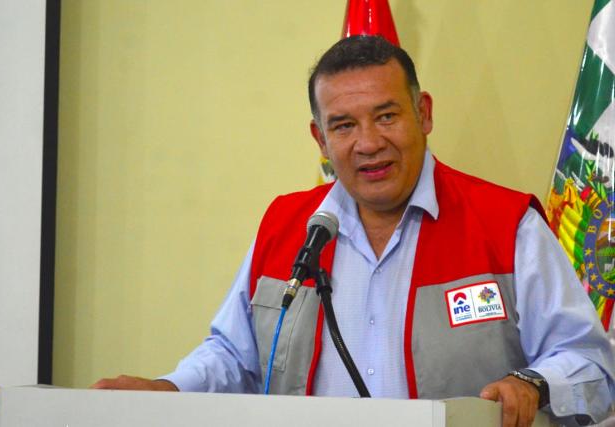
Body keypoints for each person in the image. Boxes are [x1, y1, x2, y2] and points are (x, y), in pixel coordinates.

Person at [93, 36, 615, 427]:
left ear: (423, 113)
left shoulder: (504, 223)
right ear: (320, 139)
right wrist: (170, 388)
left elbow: (591, 362)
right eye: (343, 125)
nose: (368, 143)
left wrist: (532, 384)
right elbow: (235, 356)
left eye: (386, 116)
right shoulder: (286, 227)